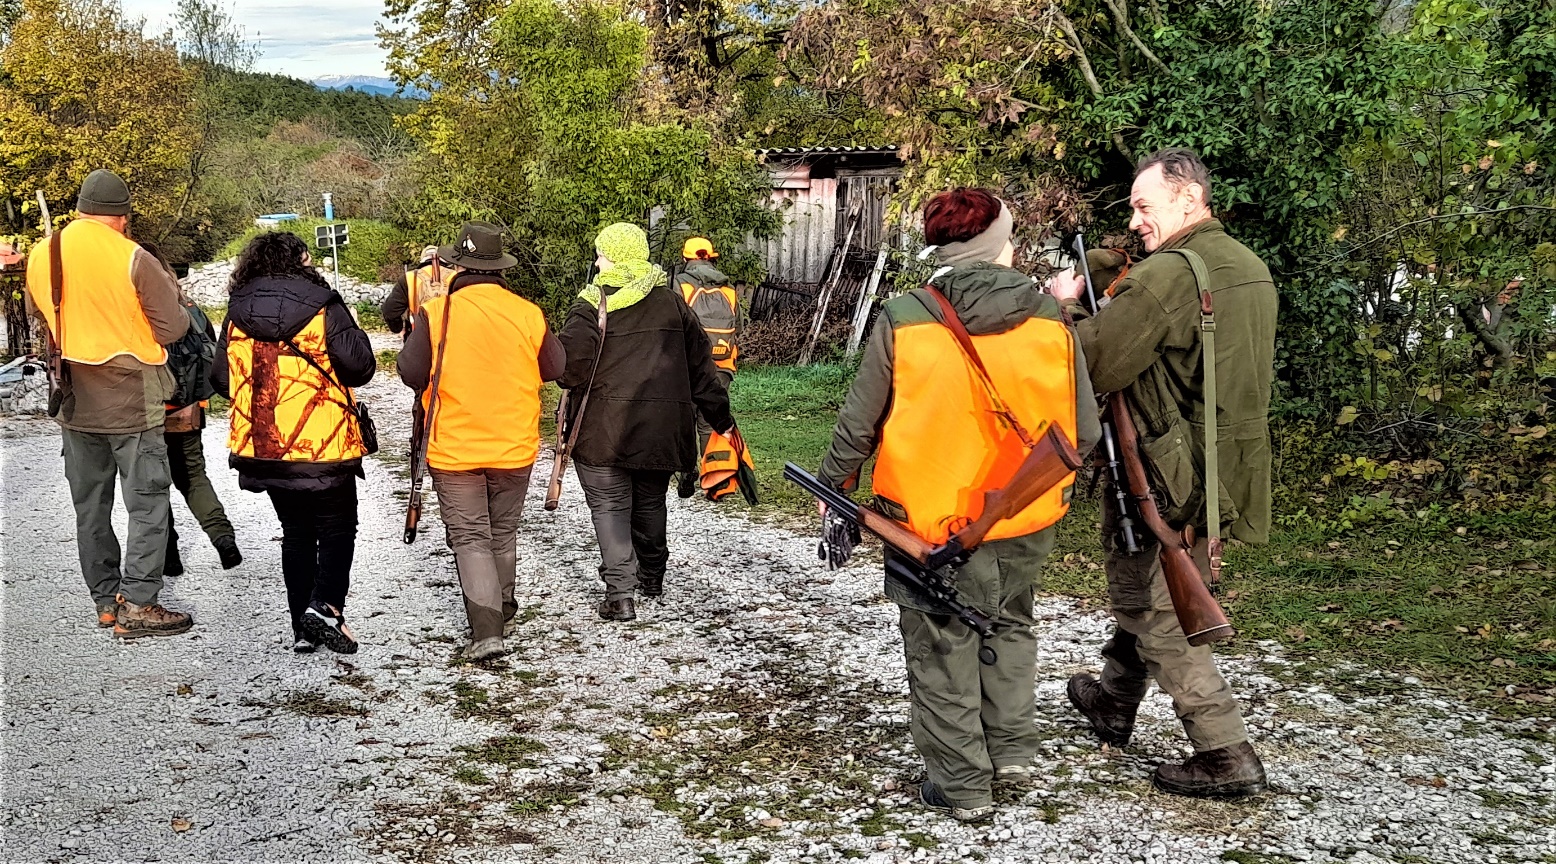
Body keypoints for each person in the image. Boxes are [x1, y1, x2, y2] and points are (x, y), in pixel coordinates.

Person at [815, 188, 1100, 822]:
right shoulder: (1054, 320)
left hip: (927, 520)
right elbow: (1084, 432)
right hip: (1025, 514)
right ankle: (1013, 755)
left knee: (942, 636)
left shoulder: (903, 315)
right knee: (1010, 620)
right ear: (1001, 244)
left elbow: (860, 424)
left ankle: (961, 785)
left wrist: (837, 491)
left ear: (939, 247)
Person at [1048, 147, 1277, 799]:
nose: (1137, 220)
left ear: (1189, 199)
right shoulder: (1249, 267)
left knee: (1152, 604)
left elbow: (1089, 363)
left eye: (1145, 206)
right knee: (1154, 589)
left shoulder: (1170, 276)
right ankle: (1114, 701)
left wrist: (1067, 304)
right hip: (1227, 463)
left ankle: (1224, 748)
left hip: (1163, 467)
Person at [25, 169, 193, 638]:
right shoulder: (132, 256)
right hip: (131, 393)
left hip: (73, 395)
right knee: (146, 502)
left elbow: (38, 315)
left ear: (80, 209)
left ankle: (104, 600)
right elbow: (173, 329)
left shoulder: (45, 252)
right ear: (121, 216)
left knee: (90, 506)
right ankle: (139, 602)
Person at [396, 222, 565, 660]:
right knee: (503, 531)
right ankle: (502, 606)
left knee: (471, 536)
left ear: (456, 266)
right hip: (515, 443)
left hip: (455, 447)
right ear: (500, 268)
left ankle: (487, 630)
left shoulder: (437, 314)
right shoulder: (529, 313)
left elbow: (411, 374)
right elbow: (554, 367)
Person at [558, 223, 735, 621]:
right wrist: (720, 419)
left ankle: (621, 594)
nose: (597, 261)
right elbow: (702, 369)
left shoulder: (590, 304)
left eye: (601, 254)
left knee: (609, 507)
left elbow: (569, 371)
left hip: (601, 430)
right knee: (651, 503)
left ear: (615, 256)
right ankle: (652, 577)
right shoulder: (672, 303)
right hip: (661, 428)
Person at [211, 231, 375, 654]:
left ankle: (301, 629)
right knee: (338, 528)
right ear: (302, 260)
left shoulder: (236, 312)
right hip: (324, 443)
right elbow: (359, 368)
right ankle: (325, 608)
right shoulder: (324, 305)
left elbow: (221, 379)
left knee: (296, 532)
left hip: (263, 445)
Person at [136, 241, 242, 577]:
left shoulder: (135, 306)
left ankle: (169, 556)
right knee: (194, 477)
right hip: (188, 408)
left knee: (151, 483)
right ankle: (223, 538)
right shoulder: (188, 305)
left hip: (145, 407)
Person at [675, 237, 740, 498]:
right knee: (711, 422)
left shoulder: (680, 285)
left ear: (685, 259)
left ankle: (686, 470)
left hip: (688, 365)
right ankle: (715, 477)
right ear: (712, 258)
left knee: (685, 420)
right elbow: (739, 328)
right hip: (722, 364)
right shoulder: (730, 289)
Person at [381, 245, 449, 337]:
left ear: (422, 260)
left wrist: (398, 328)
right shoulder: (455, 276)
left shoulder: (409, 278)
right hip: (450, 338)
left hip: (418, 338)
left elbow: (390, 310)